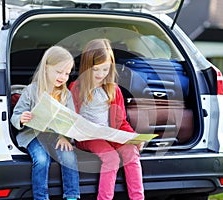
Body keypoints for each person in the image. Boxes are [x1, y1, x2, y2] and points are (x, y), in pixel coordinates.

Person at [69, 38, 144, 200]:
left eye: (105, 70)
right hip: (87, 137)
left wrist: (133, 137)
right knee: (111, 158)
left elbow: (121, 121)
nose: (101, 74)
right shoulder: (76, 88)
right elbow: (70, 118)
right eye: (96, 70)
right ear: (86, 67)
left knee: (131, 152)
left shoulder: (113, 89)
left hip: (111, 134)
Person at [11, 46, 80, 200]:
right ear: (46, 68)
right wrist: (22, 118)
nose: (63, 76)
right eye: (59, 71)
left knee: (69, 157)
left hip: (55, 136)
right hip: (33, 135)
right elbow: (15, 116)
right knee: (42, 160)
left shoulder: (66, 94)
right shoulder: (31, 90)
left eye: (67, 73)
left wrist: (65, 137)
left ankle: (72, 196)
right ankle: (41, 197)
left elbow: (71, 120)